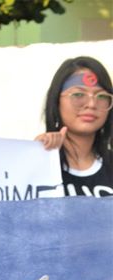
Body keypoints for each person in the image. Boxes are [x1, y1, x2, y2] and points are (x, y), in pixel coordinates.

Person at [36, 57, 112, 198]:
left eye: (101, 96)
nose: (91, 104)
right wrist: (34, 155)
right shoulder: (37, 163)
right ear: (56, 101)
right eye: (78, 94)